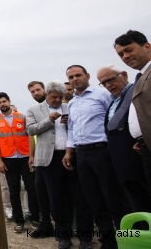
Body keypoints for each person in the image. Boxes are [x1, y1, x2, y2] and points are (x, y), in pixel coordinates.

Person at [63, 65, 129, 249]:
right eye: (71, 77)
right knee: (94, 200)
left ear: (87, 76)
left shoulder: (102, 94)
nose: (75, 79)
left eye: (78, 75)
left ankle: (127, 240)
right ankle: (108, 243)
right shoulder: (72, 103)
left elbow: (116, 117)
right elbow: (72, 129)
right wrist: (69, 152)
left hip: (103, 151)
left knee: (113, 199)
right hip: (81, 155)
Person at [26, 80, 93, 249]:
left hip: (72, 156)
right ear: (47, 95)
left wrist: (70, 122)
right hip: (50, 160)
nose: (57, 100)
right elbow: (31, 130)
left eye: (60, 97)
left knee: (80, 196)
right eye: (54, 97)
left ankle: (85, 238)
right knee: (57, 199)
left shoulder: (70, 107)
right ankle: (64, 235)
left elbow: (81, 126)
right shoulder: (34, 110)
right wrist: (49, 120)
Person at [99, 64, 151, 215]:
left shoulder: (136, 92)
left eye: (111, 80)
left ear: (124, 75)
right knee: (132, 203)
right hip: (120, 160)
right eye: (104, 83)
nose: (109, 85)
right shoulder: (114, 100)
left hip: (136, 155)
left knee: (143, 200)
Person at [0, 92, 40, 234]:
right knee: (13, 191)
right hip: (8, 159)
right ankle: (19, 221)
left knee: (31, 189)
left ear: (9, 101)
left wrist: (32, 155)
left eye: (4, 101)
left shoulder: (23, 118)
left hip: (25, 157)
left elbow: (30, 136)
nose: (2, 104)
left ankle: (35, 218)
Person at [114, 30, 151, 189]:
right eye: (121, 54)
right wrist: (142, 138)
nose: (125, 57)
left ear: (147, 46)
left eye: (129, 50)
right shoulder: (141, 76)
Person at [24, 81, 54, 239]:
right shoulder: (33, 110)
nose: (35, 93)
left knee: (58, 192)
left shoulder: (59, 105)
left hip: (59, 154)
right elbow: (31, 132)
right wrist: (31, 155)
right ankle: (46, 224)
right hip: (41, 156)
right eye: (32, 92)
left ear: (45, 89)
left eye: (37, 90)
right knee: (40, 190)